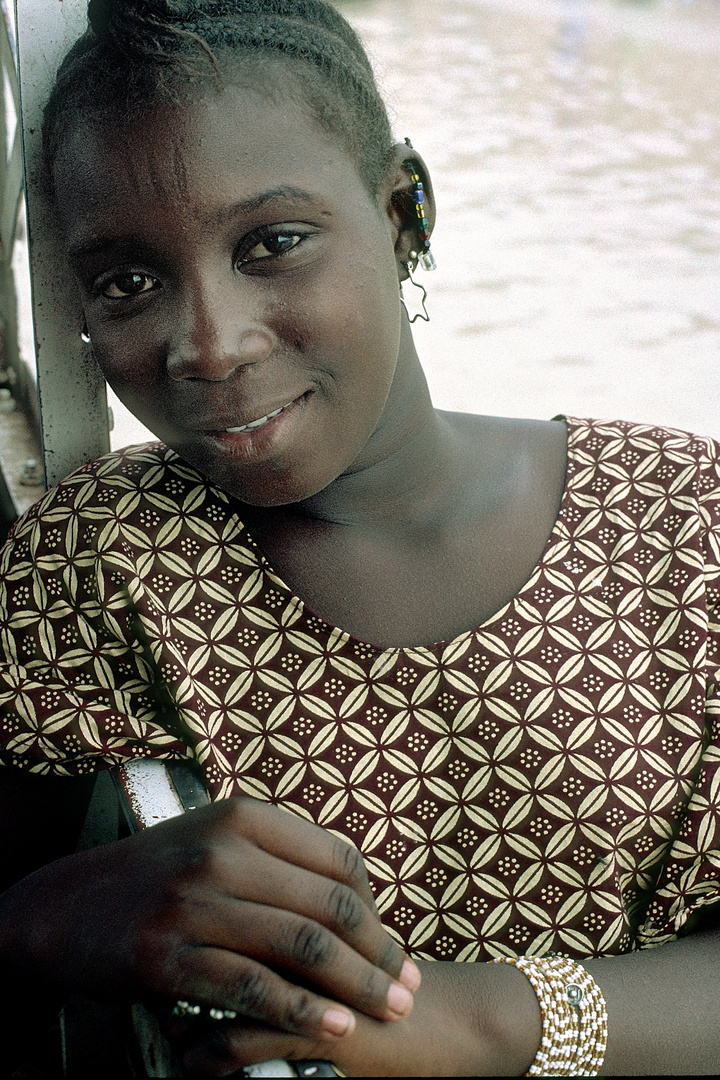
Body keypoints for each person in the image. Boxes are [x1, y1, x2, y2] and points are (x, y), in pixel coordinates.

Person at [1, 0, 719, 1075]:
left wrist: (470, 1025)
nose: (212, 343)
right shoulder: (103, 561)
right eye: (128, 282)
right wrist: (43, 920)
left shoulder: (684, 520)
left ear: (403, 211)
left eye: (272, 243)